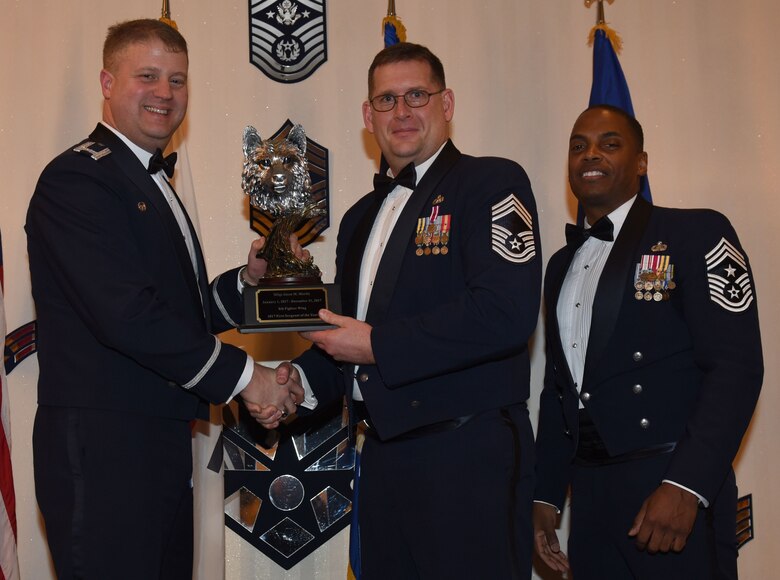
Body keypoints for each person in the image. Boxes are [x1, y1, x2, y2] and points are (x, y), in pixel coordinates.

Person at [25, 19, 302, 579]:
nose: (165, 93)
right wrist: (250, 378)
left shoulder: (146, 179)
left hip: (155, 442)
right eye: (146, 76)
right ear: (107, 81)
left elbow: (177, 309)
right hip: (104, 447)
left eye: (177, 80)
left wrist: (246, 282)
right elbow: (128, 315)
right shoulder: (77, 180)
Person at [268, 42, 542, 578]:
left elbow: (505, 312)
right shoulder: (356, 220)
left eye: (417, 95)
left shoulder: (492, 183)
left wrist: (375, 345)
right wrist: (293, 382)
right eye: (387, 99)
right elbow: (346, 343)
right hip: (383, 458)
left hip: (467, 455)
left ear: (447, 103)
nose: (402, 111)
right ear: (368, 116)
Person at [533, 105, 763, 579]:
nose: (590, 154)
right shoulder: (559, 265)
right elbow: (560, 390)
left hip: (670, 489)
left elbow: (736, 368)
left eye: (609, 143)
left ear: (641, 162)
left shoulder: (695, 233)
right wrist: (545, 495)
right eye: (578, 146)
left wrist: (686, 485)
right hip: (591, 499)